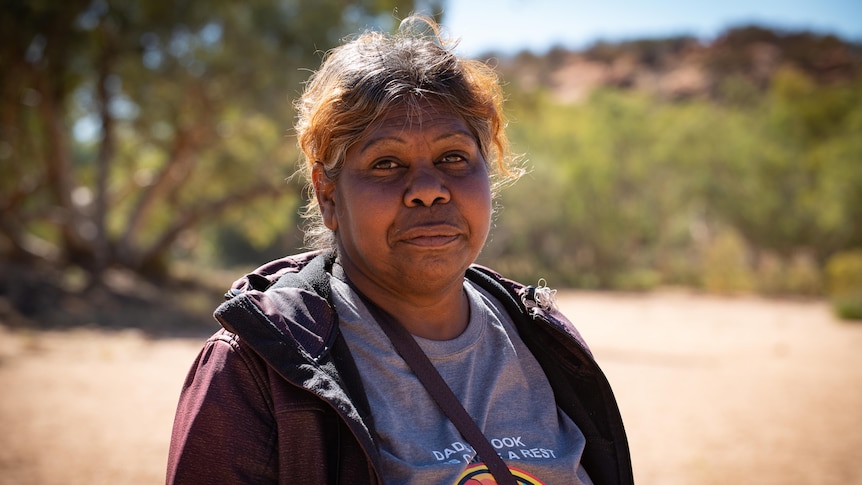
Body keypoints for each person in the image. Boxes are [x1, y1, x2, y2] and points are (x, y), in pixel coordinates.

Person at [166, 16, 632, 485]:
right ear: (329, 197)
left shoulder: (544, 339)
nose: (429, 190)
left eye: (453, 157)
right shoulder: (261, 367)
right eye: (386, 163)